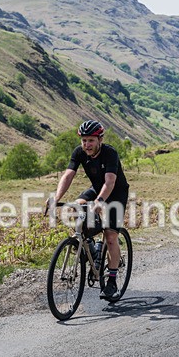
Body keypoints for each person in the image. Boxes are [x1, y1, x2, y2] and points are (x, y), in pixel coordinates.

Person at [48, 120, 130, 300]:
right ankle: (90, 246)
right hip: (96, 188)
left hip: (116, 193)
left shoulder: (110, 153)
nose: (87, 145)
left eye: (91, 140)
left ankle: (112, 281)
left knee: (110, 236)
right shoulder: (79, 153)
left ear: (100, 139)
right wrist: (56, 198)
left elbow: (110, 182)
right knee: (77, 206)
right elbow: (68, 175)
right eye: (84, 140)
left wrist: (100, 201)